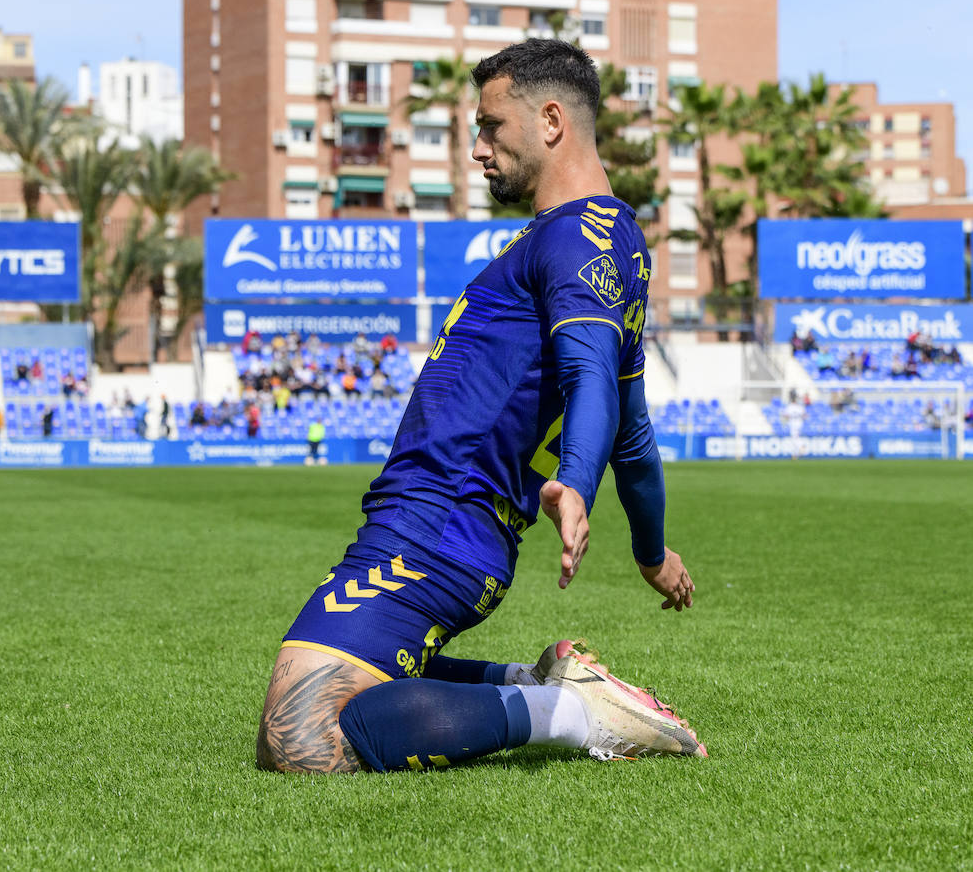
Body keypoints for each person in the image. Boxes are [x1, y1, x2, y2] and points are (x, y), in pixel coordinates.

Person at [256, 40, 702, 776]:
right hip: (441, 525)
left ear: (551, 120)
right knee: (345, 700)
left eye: (491, 127)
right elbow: (636, 431)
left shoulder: (580, 233)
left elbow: (594, 379)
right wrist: (651, 554)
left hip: (438, 526)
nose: (477, 150)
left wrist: (578, 485)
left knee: (303, 736)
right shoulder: (600, 240)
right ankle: (537, 685)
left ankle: (577, 712)